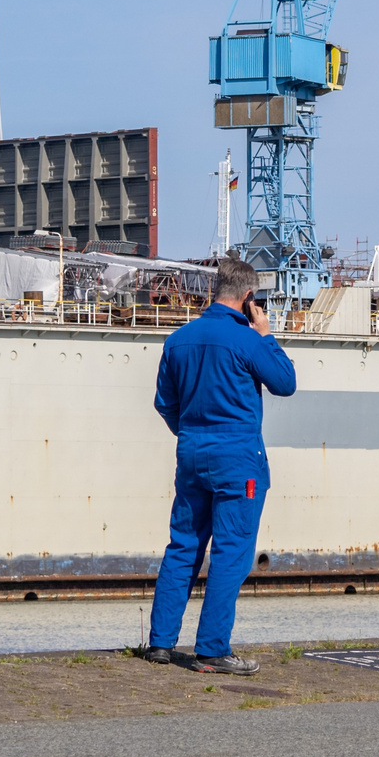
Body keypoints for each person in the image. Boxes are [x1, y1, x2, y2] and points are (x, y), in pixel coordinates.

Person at [142, 257, 295, 675]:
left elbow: (164, 403)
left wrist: (191, 433)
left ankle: (160, 643)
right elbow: (285, 383)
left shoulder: (178, 340)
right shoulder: (248, 341)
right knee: (230, 554)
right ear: (248, 298)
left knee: (183, 546)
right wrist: (266, 335)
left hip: (191, 455)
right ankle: (211, 650)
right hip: (239, 461)